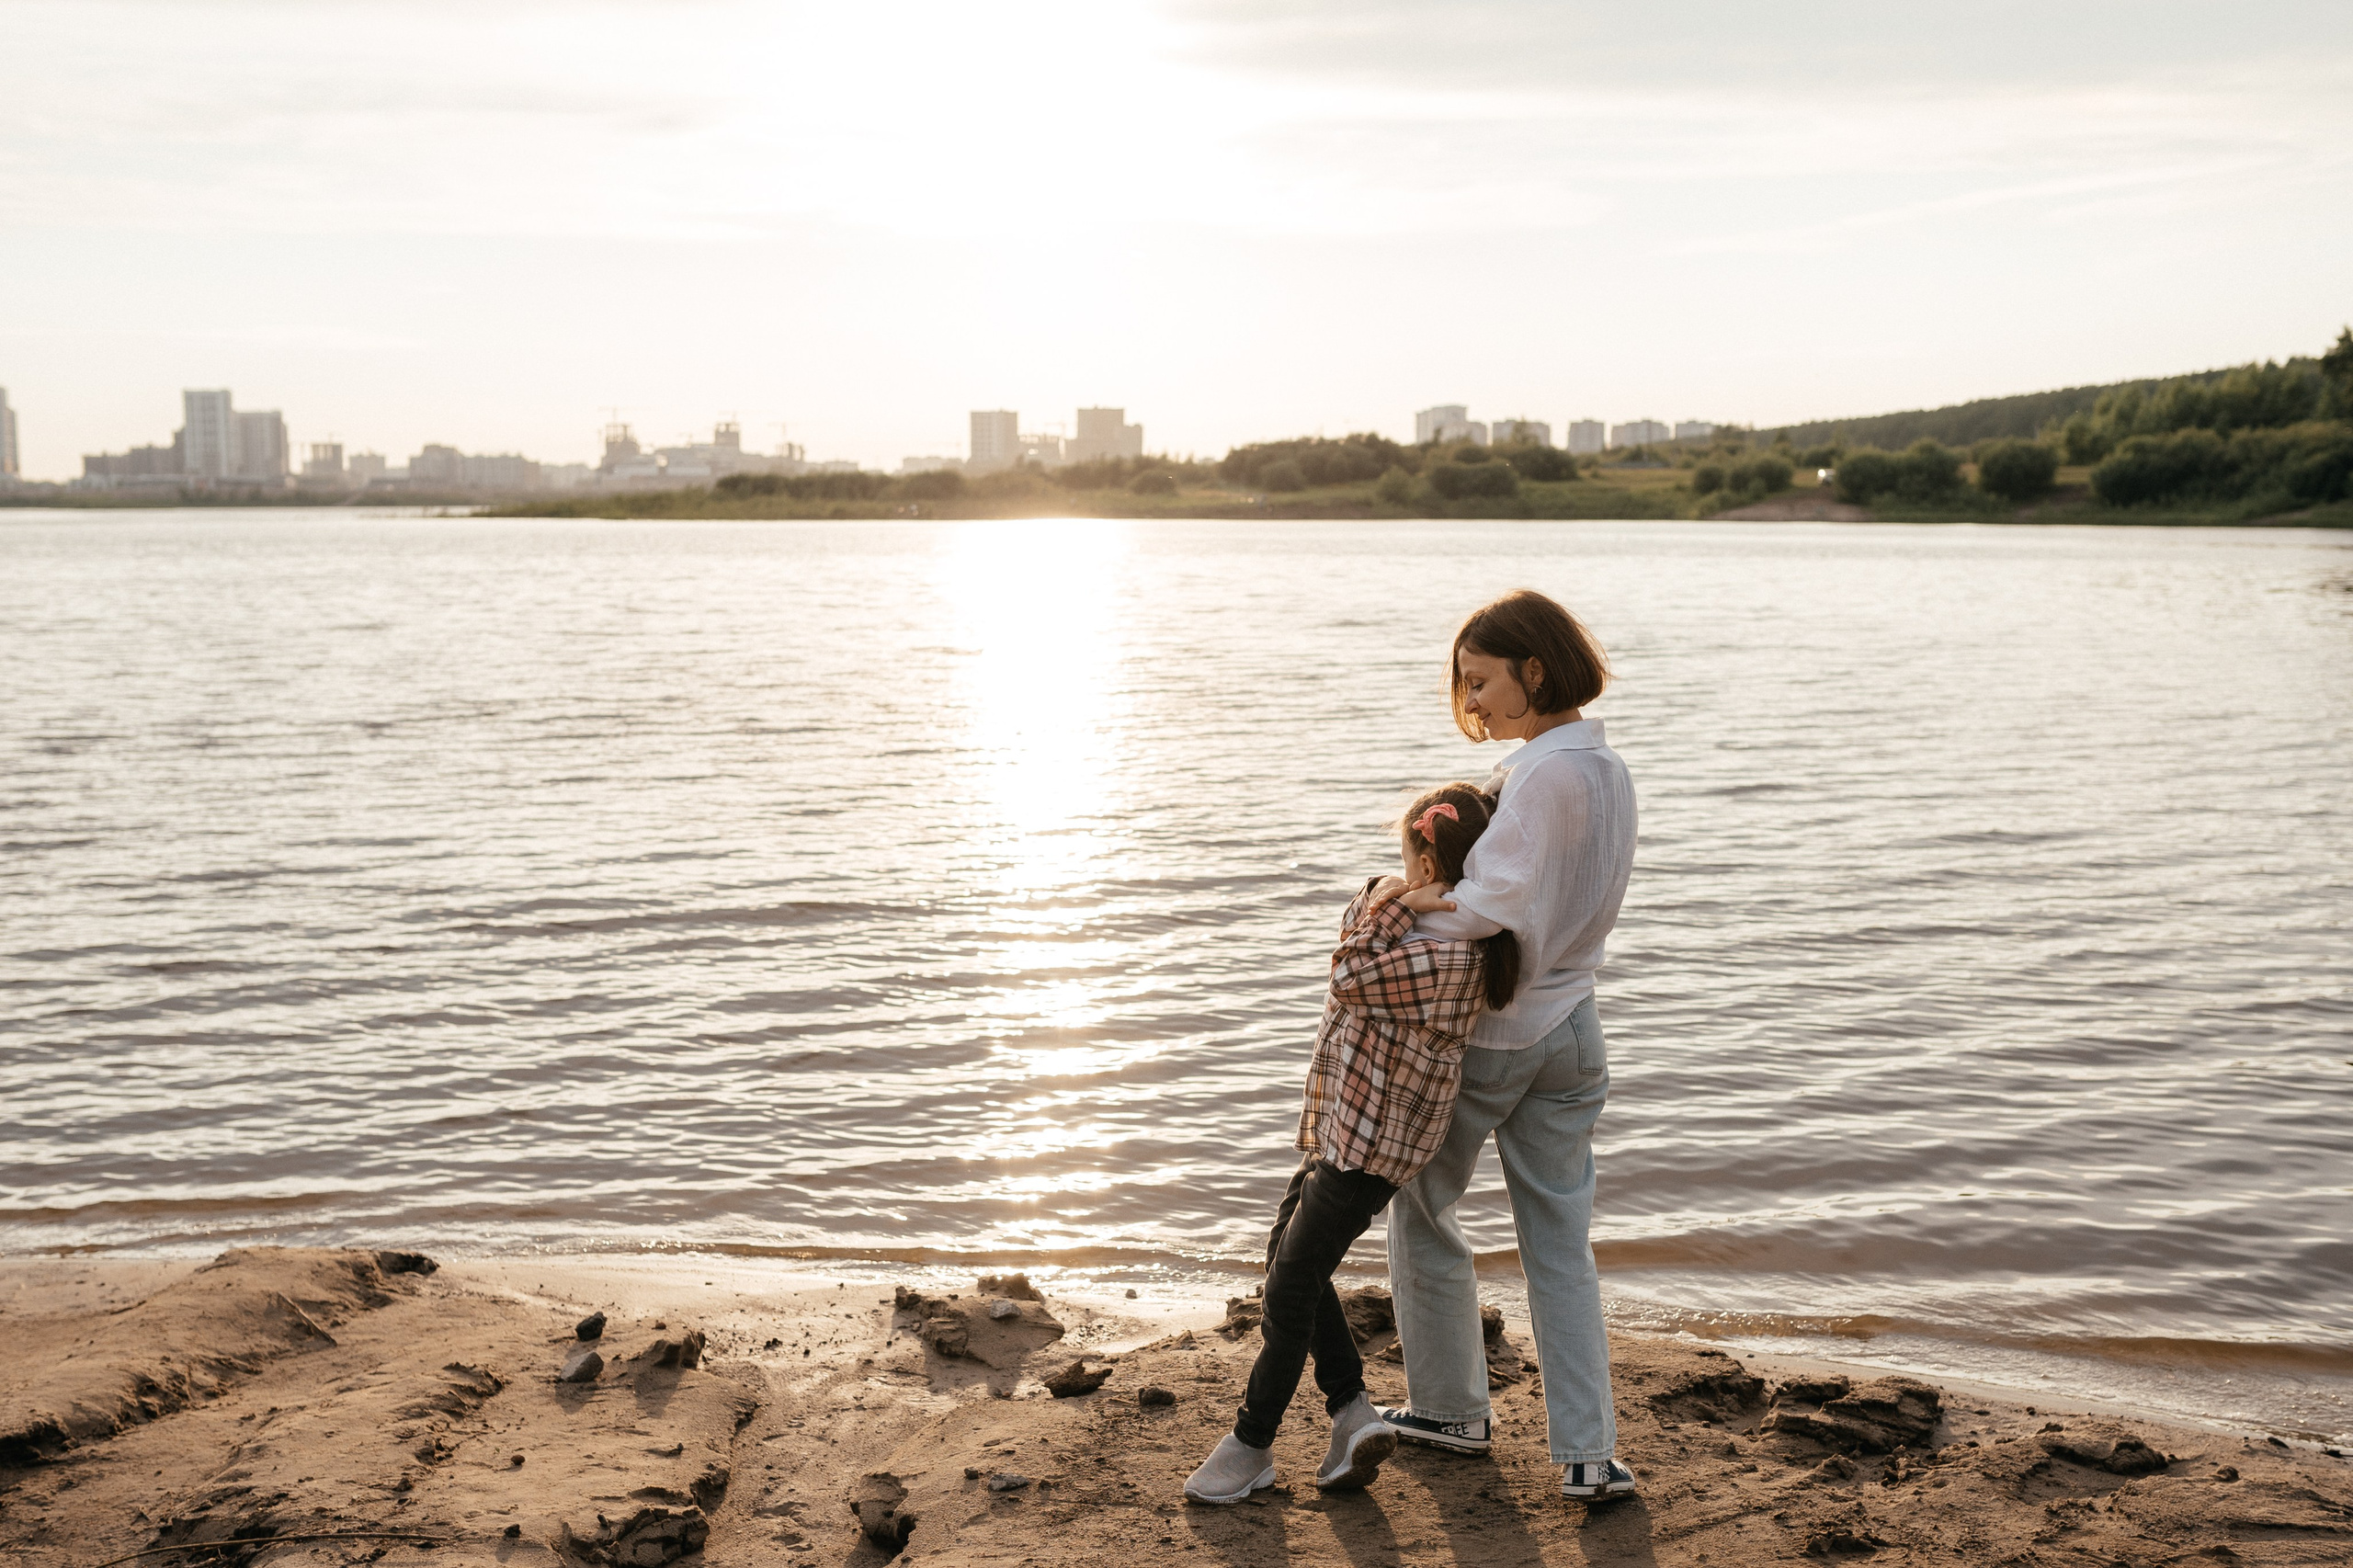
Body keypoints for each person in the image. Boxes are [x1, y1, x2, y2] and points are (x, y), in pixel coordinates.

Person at [1184, 784, 1522, 1505]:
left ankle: (1252, 1444)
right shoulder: (1423, 930)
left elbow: (1346, 974)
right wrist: (1394, 896)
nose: (1393, 877)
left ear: (1426, 865)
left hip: (1370, 1150)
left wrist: (1396, 906)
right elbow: (1356, 918)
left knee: (1289, 1287)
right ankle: (1351, 1413)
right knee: (1287, 1259)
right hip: (1343, 1128)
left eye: (1406, 861)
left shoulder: (1447, 955)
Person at [1381, 588, 1641, 1504]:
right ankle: (1589, 1454)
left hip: (1499, 1030)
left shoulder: (1539, 776)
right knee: (1560, 1242)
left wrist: (1407, 903)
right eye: (1465, 684)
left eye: (1481, 680)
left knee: (1421, 1203)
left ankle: (1451, 1409)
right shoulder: (1608, 770)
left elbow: (1488, 909)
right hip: (1575, 1029)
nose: (1473, 701)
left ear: (1534, 669)